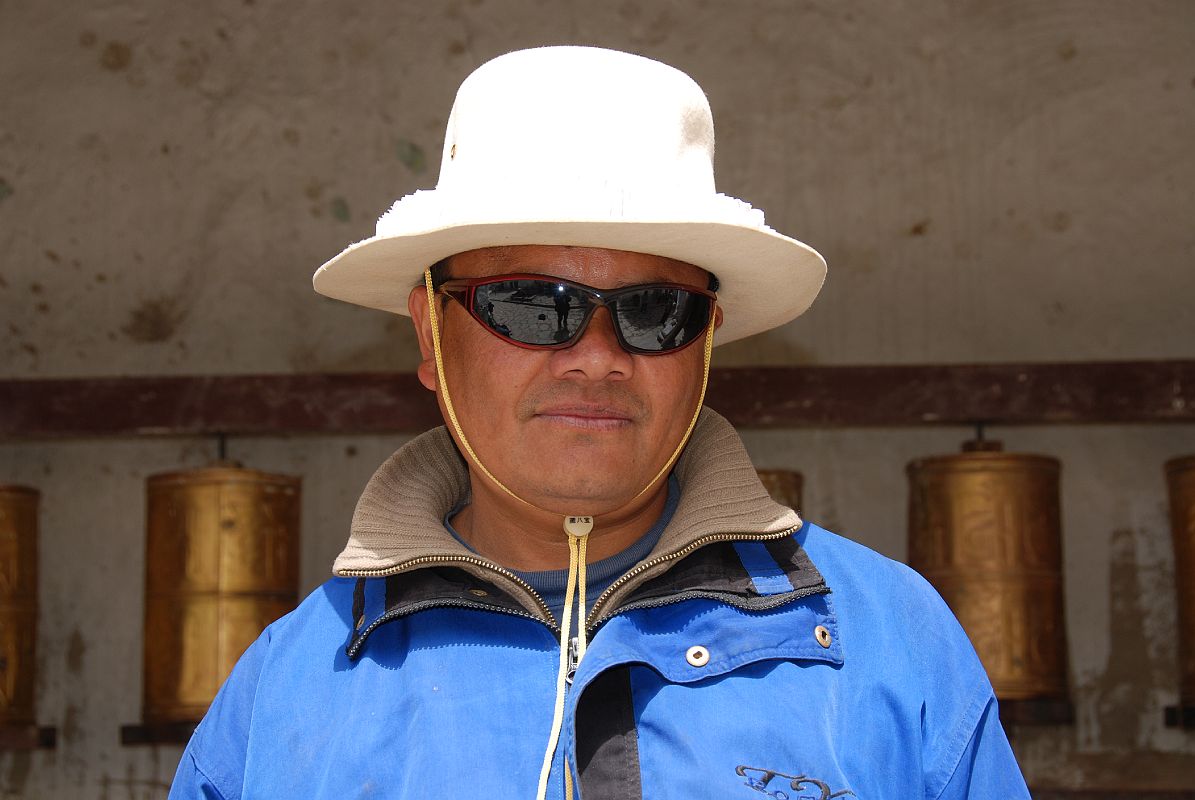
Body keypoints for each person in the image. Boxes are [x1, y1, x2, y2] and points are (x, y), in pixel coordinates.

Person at [169, 46, 1030, 799]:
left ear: (705, 346)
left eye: (654, 312)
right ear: (430, 336)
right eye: (531, 306)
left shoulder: (886, 643)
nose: (594, 355)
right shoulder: (290, 687)